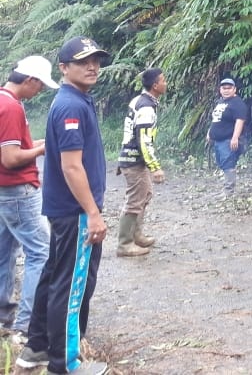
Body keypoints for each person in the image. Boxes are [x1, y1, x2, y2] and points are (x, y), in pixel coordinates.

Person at [18, 36, 111, 375]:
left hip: (66, 211)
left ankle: (38, 346)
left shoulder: (75, 99)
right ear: (64, 68)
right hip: (75, 213)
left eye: (96, 60)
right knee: (73, 284)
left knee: (54, 277)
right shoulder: (71, 105)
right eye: (83, 61)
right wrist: (93, 213)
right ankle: (65, 363)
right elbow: (72, 166)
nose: (92, 66)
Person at [0, 56, 56, 336]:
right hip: (18, 189)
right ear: (30, 80)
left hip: (3, 191)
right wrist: (40, 150)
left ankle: (3, 318)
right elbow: (10, 158)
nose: (40, 92)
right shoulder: (11, 107)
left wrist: (34, 145)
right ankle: (27, 325)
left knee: (5, 251)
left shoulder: (1, 99)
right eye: (40, 87)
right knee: (41, 253)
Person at [116, 68, 167, 257]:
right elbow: (143, 140)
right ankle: (124, 243)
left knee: (145, 195)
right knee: (135, 200)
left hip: (133, 158)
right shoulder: (146, 107)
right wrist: (155, 167)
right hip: (134, 159)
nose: (166, 83)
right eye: (163, 80)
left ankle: (136, 235)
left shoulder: (140, 100)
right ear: (155, 85)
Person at [206, 78, 248, 198]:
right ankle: (225, 189)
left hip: (228, 139)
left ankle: (229, 191)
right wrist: (210, 133)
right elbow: (216, 119)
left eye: (229, 88)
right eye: (224, 88)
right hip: (218, 140)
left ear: (234, 89)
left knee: (228, 163)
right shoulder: (221, 102)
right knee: (222, 163)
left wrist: (235, 137)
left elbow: (240, 121)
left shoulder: (237, 103)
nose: (226, 90)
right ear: (220, 90)